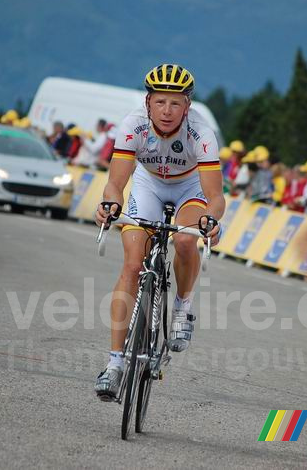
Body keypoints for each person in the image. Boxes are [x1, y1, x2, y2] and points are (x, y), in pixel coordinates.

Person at [93, 64, 223, 400]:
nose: (167, 111)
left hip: (189, 188)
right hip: (148, 186)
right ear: (148, 101)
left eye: (175, 103)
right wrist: (109, 205)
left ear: (187, 107)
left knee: (183, 238)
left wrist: (211, 220)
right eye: (161, 102)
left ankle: (182, 306)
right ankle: (115, 364)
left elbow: (216, 197)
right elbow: (115, 183)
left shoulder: (201, 134)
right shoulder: (132, 125)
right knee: (132, 267)